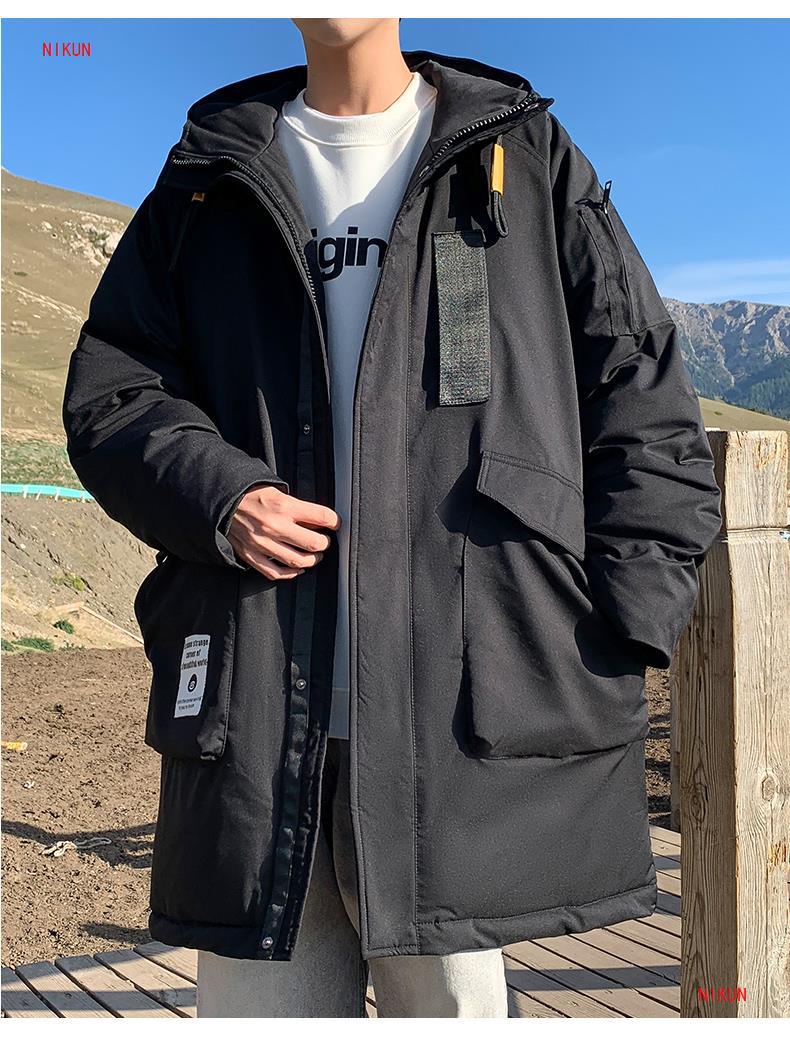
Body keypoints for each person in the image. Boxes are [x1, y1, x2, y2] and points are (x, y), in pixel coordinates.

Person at [62, 18, 722, 1018]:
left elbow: (641, 399)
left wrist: (622, 630)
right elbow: (116, 391)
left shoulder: (522, 154)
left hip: (461, 727)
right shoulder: (209, 172)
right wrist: (219, 494)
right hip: (254, 717)